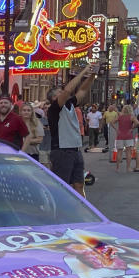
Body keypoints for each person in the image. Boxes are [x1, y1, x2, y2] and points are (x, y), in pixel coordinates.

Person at [47, 63, 96, 195]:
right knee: (62, 186)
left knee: (79, 183)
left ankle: (81, 211)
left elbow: (83, 91)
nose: (64, 94)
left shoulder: (69, 105)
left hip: (75, 149)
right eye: (59, 93)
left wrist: (93, 75)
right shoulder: (54, 109)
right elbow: (68, 90)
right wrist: (84, 71)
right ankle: (60, 211)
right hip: (62, 150)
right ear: (53, 98)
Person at [114, 104, 139, 173]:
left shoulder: (120, 116)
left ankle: (117, 168)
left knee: (119, 152)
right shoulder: (132, 117)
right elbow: (137, 123)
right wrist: (132, 128)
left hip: (120, 136)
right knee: (128, 152)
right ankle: (128, 168)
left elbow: (112, 122)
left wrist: (117, 130)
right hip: (128, 136)